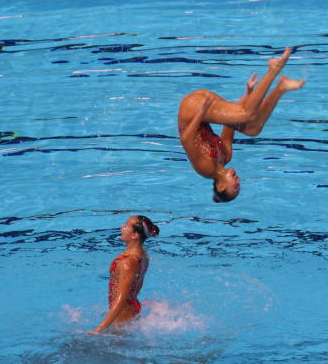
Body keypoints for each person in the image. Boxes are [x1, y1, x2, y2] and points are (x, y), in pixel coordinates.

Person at [178, 47, 305, 202]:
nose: (238, 181)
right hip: (202, 107)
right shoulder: (226, 155)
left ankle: (274, 69)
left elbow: (185, 139)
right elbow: (231, 123)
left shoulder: (206, 169)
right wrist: (248, 94)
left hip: (193, 108)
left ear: (221, 187)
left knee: (247, 114)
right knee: (252, 129)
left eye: (235, 186)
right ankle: (281, 87)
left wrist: (201, 111)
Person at [90, 215, 159, 333]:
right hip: (131, 310)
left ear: (134, 235)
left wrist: (99, 328)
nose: (122, 227)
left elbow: (121, 299)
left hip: (122, 318)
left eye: (126, 226)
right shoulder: (143, 256)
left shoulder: (128, 262)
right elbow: (136, 288)